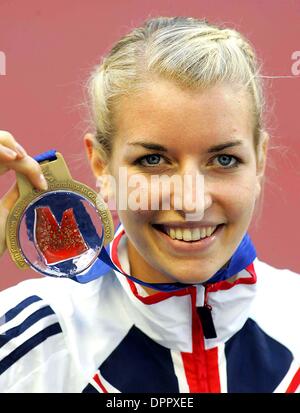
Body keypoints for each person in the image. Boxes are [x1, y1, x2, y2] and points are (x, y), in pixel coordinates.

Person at [0, 16, 299, 393]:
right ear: (101, 167)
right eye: (153, 161)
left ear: (260, 160)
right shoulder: (27, 341)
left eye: (223, 160)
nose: (191, 202)